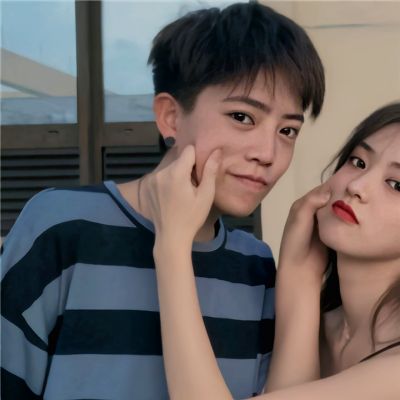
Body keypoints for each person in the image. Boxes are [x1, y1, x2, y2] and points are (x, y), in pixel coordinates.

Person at [0, 3, 325, 399]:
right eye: (243, 117)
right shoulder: (63, 225)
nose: (268, 153)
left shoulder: (254, 265)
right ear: (171, 116)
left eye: (288, 130)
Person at [147, 102, 400, 399]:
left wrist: (172, 245)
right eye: (358, 162)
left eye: (396, 185)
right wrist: (299, 273)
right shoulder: (313, 318)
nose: (357, 185)